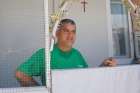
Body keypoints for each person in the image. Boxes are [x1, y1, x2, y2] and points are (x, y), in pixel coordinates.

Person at [15, 19, 88, 86]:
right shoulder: (45, 54)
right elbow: (20, 74)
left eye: (73, 32)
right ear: (57, 33)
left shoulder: (77, 54)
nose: (70, 35)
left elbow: (87, 78)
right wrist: (41, 91)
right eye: (66, 31)